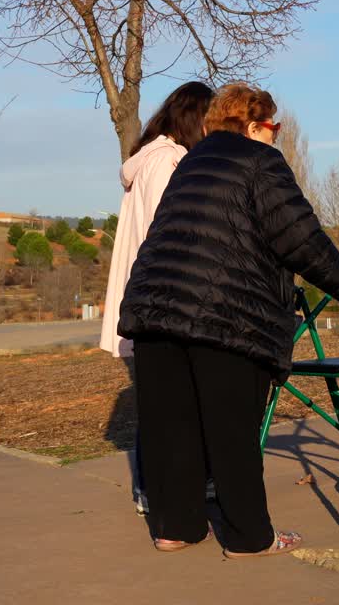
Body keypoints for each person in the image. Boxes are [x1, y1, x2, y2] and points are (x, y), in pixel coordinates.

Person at [118, 83, 339, 557]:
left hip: (155, 312)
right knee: (231, 430)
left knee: (174, 426)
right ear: (254, 125)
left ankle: (176, 528)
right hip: (225, 317)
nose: (276, 136)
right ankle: (249, 537)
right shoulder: (260, 161)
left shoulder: (189, 163)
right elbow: (299, 237)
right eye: (274, 127)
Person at [100, 81, 214, 515]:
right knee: (164, 400)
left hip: (147, 295)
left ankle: (169, 483)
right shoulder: (168, 161)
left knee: (162, 398)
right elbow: (170, 230)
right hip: (162, 296)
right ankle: (155, 487)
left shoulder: (149, 158)